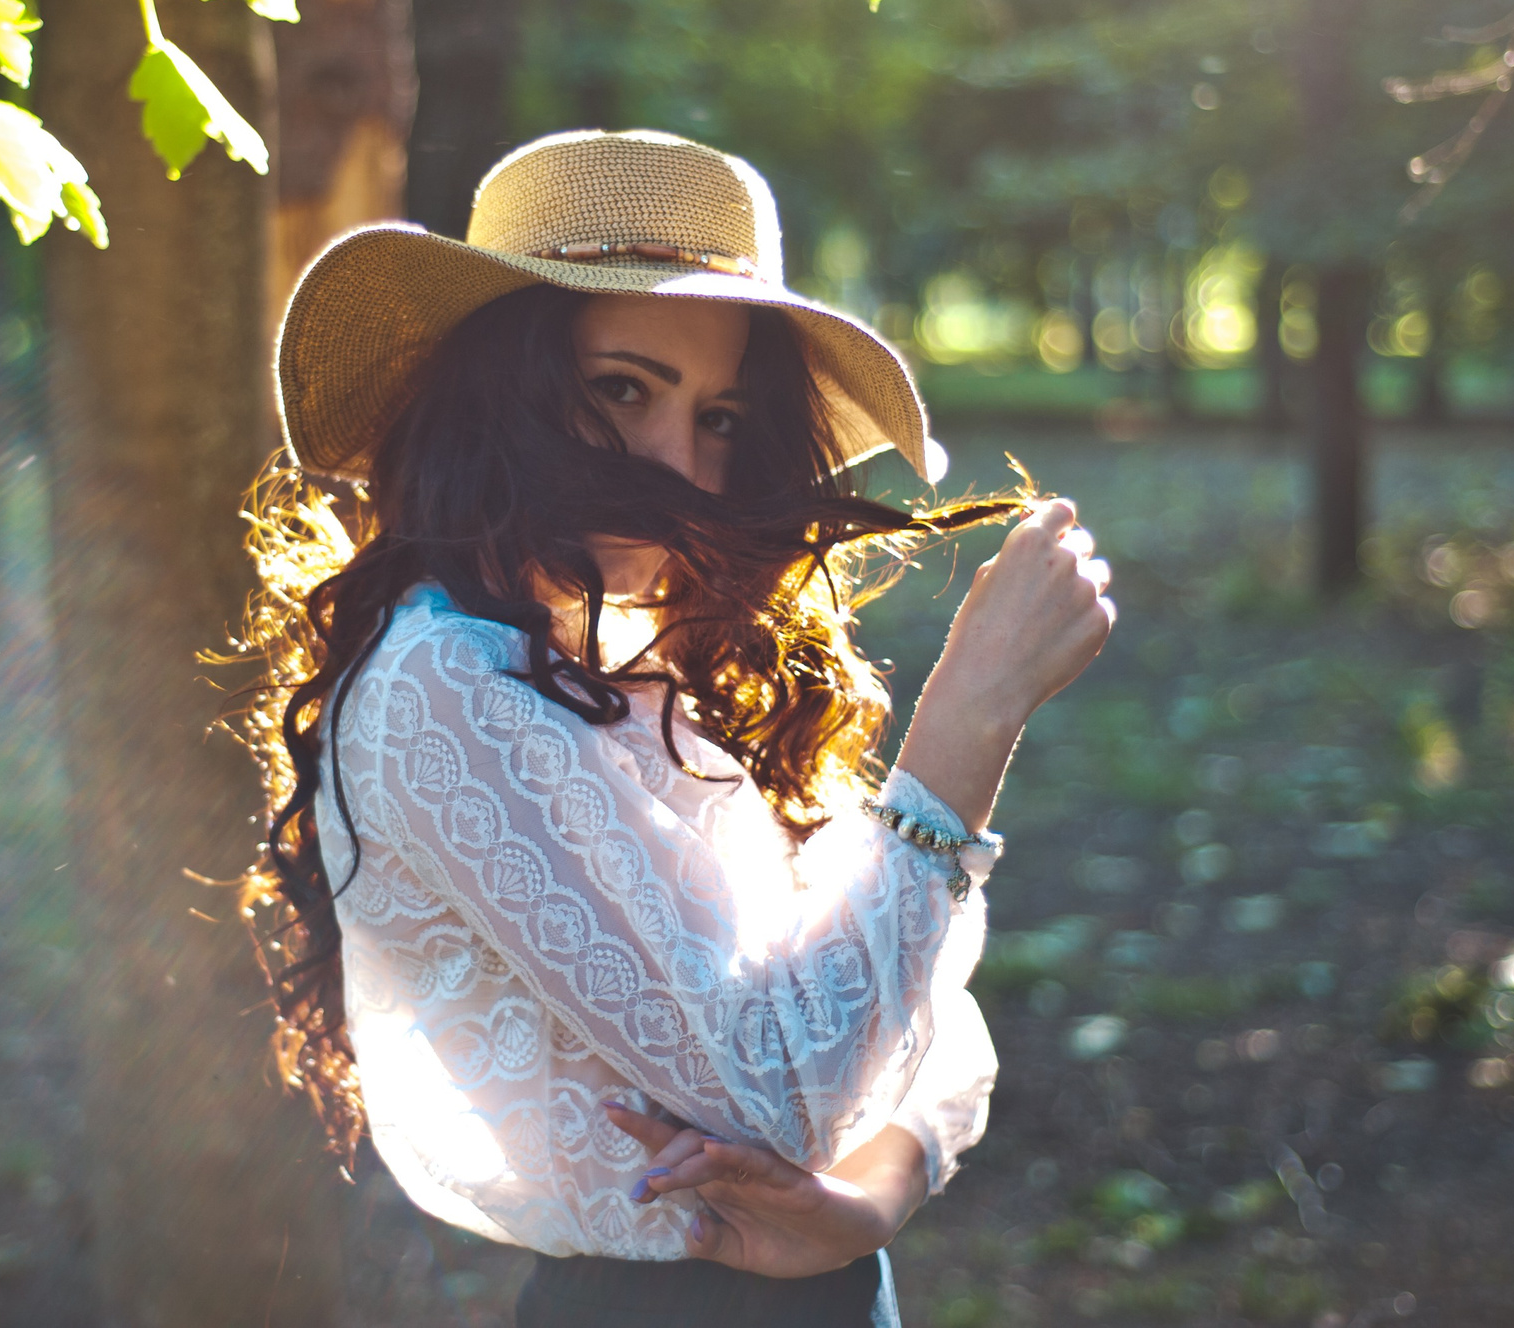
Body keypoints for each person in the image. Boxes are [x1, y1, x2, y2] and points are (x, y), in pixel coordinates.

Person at [232, 130, 1112, 1327]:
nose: (679, 466)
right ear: (499, 391)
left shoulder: (647, 662)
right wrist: (970, 718)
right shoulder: (445, 681)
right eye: (622, 390)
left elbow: (933, 1030)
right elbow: (785, 1094)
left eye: (721, 417)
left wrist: (860, 1210)